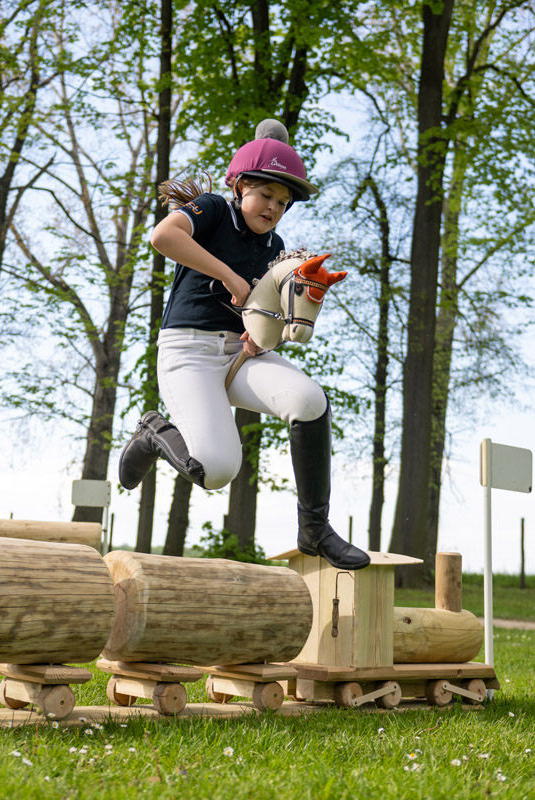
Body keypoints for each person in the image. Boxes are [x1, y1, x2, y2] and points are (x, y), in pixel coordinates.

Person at [117, 120, 369, 571]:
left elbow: (265, 317)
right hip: (188, 352)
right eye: (266, 196)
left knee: (310, 400)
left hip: (239, 355)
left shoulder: (277, 247)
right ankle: (154, 432)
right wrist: (230, 276)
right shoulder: (213, 208)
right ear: (239, 186)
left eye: (283, 203)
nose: (273, 208)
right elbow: (163, 237)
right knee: (216, 471)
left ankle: (315, 528)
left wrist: (262, 336)